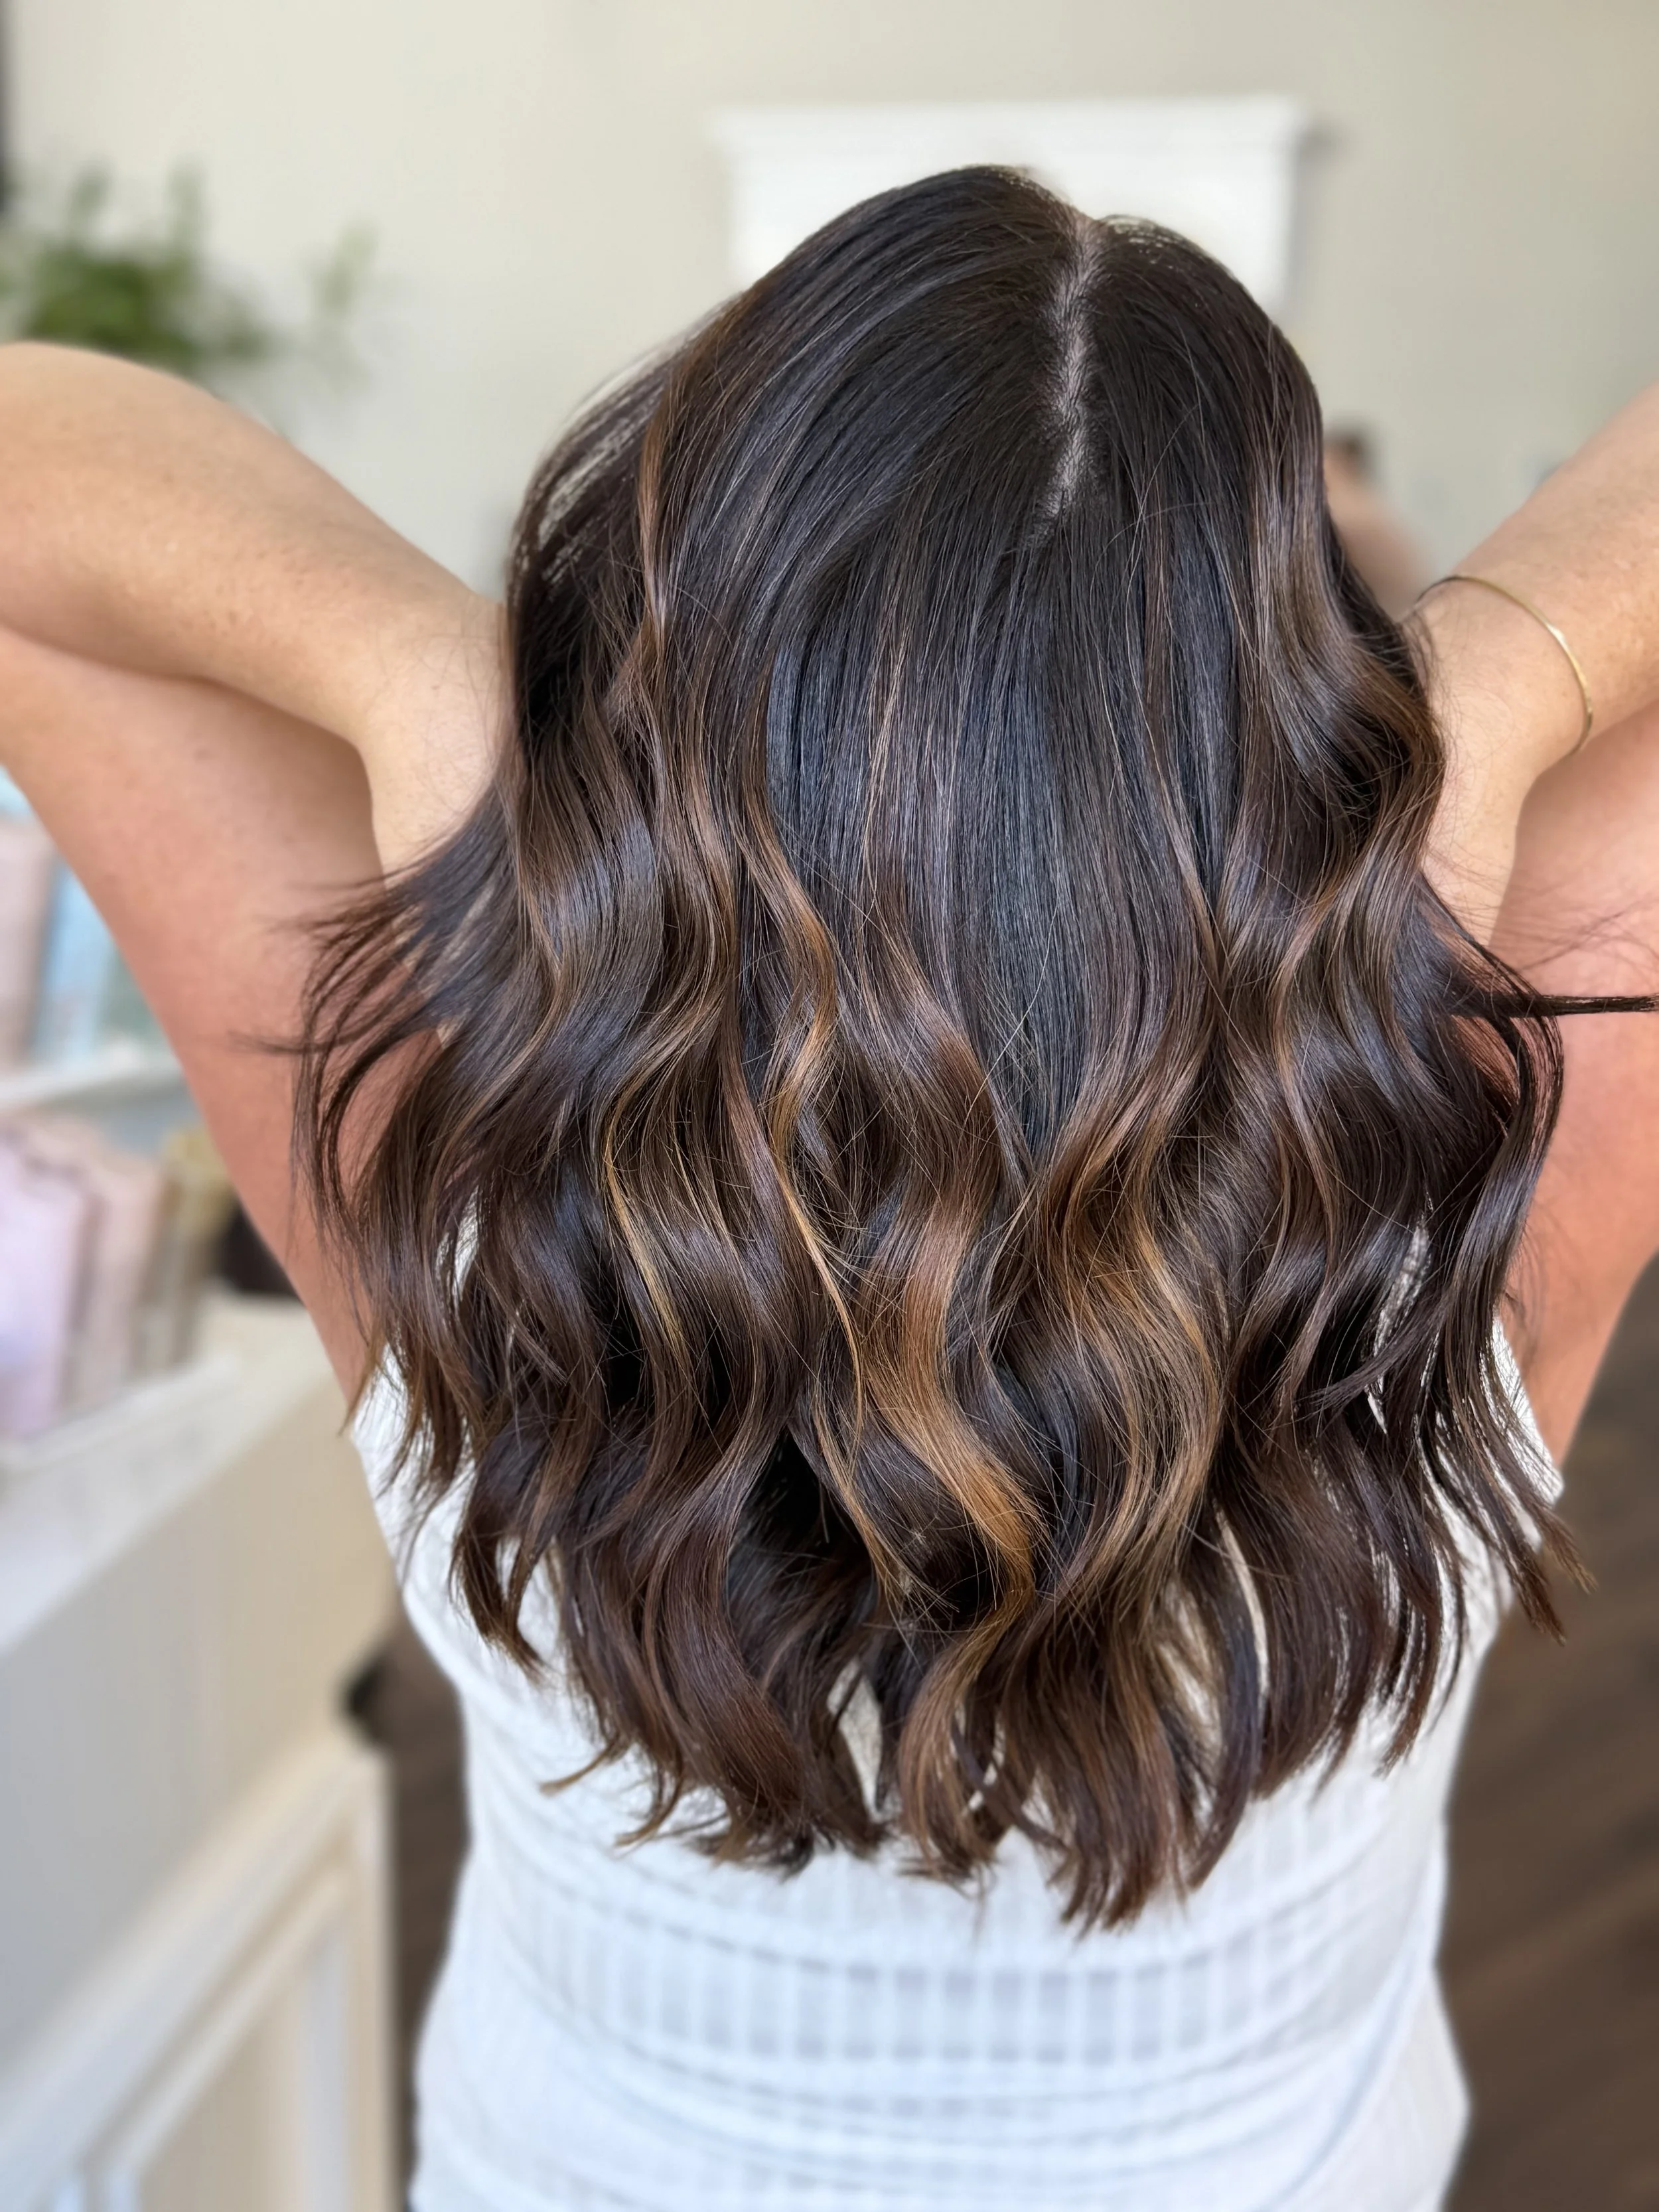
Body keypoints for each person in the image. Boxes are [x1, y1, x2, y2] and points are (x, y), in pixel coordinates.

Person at [0, 168, 1654, 2212]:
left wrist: (432, 688)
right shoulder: (1479, 1162)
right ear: (1291, 738)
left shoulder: (456, 1172)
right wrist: (1491, 694)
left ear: (650, 674)